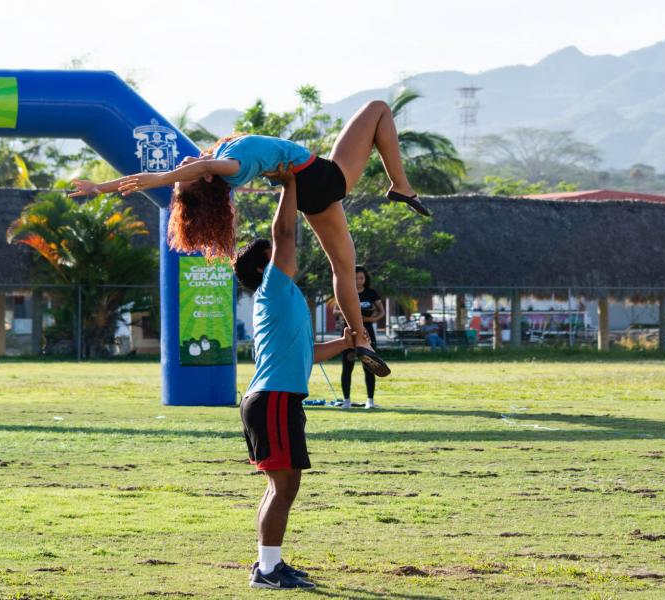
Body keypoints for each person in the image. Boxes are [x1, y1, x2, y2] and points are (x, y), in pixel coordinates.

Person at [71, 101, 427, 378]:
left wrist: (103, 186)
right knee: (378, 109)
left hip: (304, 191)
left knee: (344, 268)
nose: (187, 165)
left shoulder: (226, 159)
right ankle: (401, 185)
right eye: (186, 176)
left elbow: (203, 167)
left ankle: (360, 338)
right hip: (320, 177)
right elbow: (204, 169)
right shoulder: (228, 169)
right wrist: (159, 178)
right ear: (205, 181)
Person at [232, 166, 354, 590]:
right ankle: (267, 572)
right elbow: (285, 233)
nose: (286, 255)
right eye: (275, 254)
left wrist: (342, 344)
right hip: (274, 401)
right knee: (284, 487)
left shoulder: (282, 300)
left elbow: (304, 356)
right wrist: (290, 184)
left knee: (281, 486)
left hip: (276, 398)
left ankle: (268, 565)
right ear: (266, 266)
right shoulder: (273, 288)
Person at [333, 266, 385, 409]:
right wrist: (351, 316)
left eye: (361, 278)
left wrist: (371, 320)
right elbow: (336, 310)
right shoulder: (345, 291)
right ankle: (347, 401)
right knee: (347, 368)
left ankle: (370, 401)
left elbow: (382, 312)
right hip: (350, 335)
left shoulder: (371, 293)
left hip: (367, 335)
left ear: (365, 279)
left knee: (369, 367)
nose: (358, 281)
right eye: (355, 278)